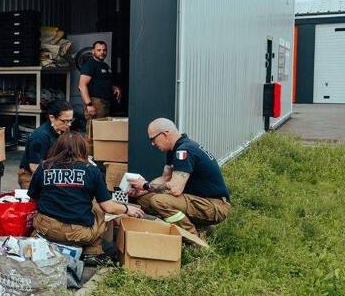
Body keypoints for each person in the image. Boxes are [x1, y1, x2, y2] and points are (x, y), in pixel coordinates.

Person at [29, 132, 144, 263]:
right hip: (77, 234)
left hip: (45, 229)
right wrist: (127, 209)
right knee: (98, 207)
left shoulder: (44, 167)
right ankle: (93, 251)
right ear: (83, 149)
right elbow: (108, 207)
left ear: (57, 147)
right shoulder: (92, 170)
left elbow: (33, 199)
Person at [126, 118, 231, 236]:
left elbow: (175, 189)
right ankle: (200, 226)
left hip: (214, 205)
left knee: (159, 201)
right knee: (144, 199)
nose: (152, 143)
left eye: (153, 139)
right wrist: (142, 190)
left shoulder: (183, 151)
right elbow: (165, 178)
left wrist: (146, 185)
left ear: (165, 134)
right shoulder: (175, 149)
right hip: (198, 201)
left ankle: (194, 239)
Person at [17, 100, 74, 189]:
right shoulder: (40, 136)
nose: (69, 124)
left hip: (53, 169)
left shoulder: (63, 129)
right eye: (65, 121)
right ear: (52, 118)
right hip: (31, 175)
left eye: (70, 120)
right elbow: (34, 167)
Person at [78, 40, 122, 119]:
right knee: (94, 126)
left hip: (106, 102)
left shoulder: (105, 65)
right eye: (99, 50)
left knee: (104, 126)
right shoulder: (90, 65)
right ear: (93, 51)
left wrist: (114, 88)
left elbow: (103, 81)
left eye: (104, 50)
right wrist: (89, 105)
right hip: (95, 103)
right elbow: (82, 85)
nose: (102, 52)